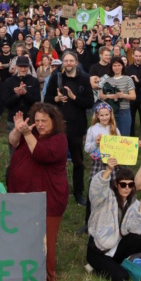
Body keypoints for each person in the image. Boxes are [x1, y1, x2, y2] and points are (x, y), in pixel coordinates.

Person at [8, 103, 68, 281]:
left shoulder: (59, 139)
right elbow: (13, 142)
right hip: (24, 196)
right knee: (24, 234)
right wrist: (18, 130)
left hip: (49, 197)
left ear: (54, 122)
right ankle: (25, 270)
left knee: (46, 238)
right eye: (37, 121)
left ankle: (47, 276)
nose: (40, 124)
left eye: (44, 121)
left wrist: (27, 134)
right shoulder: (31, 134)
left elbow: (41, 154)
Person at [85, 156, 141, 281]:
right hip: (98, 250)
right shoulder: (105, 198)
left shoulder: (134, 203)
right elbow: (95, 191)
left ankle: (117, 264)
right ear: (116, 184)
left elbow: (137, 229)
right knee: (122, 278)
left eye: (130, 184)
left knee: (137, 239)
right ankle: (99, 265)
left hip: (116, 247)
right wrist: (108, 169)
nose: (127, 188)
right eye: (123, 184)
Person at [43, 51, 95, 205]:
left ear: (77, 61)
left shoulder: (84, 78)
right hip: (59, 126)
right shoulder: (56, 77)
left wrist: (75, 98)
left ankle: (78, 193)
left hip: (77, 126)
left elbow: (90, 102)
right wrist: (56, 99)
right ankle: (56, 192)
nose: (69, 63)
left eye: (71, 60)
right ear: (62, 63)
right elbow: (46, 100)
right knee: (57, 161)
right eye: (66, 61)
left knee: (78, 162)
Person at [97, 57, 136, 137]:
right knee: (112, 136)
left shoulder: (128, 79)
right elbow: (101, 96)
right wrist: (109, 96)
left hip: (124, 111)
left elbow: (133, 96)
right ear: (111, 67)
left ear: (122, 66)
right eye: (114, 65)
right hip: (110, 112)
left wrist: (123, 95)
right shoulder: (107, 80)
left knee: (124, 136)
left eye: (119, 65)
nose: (117, 67)